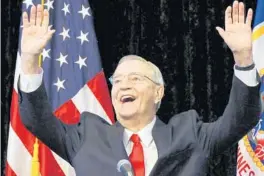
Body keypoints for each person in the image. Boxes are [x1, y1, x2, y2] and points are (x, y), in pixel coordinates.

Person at [18, 1, 260, 176]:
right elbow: (37, 121)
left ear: (158, 92)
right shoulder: (87, 136)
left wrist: (243, 57)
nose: (124, 85)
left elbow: (240, 119)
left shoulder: (191, 135)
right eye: (118, 80)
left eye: (135, 78)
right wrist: (29, 60)